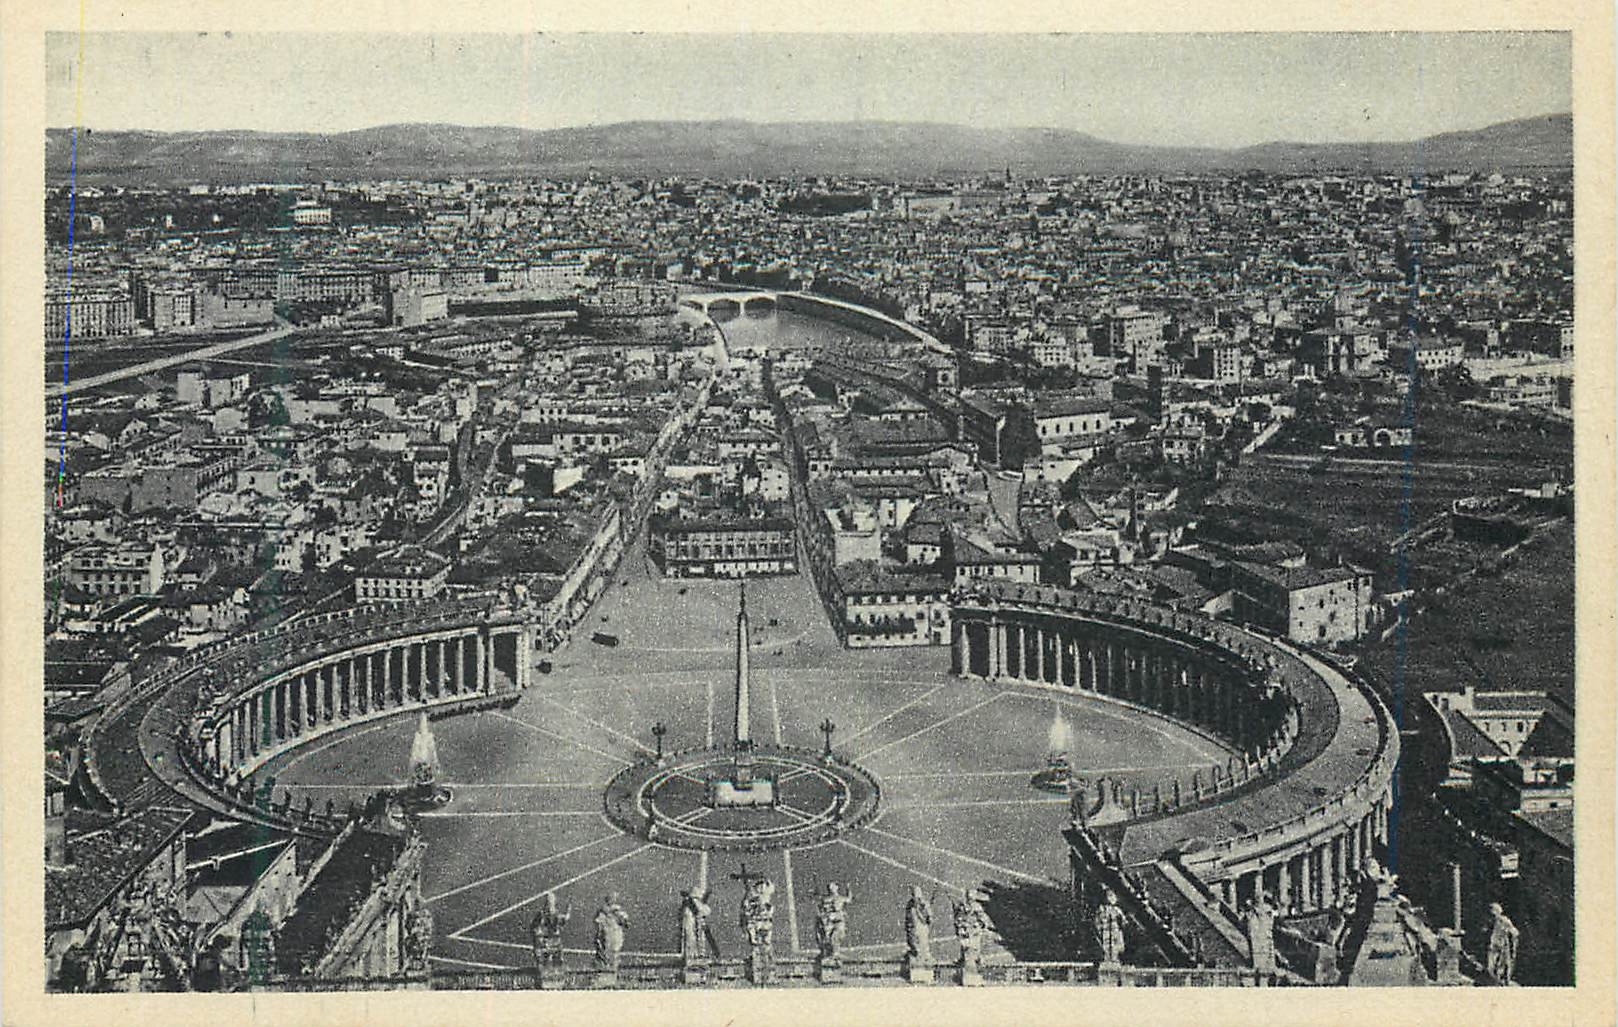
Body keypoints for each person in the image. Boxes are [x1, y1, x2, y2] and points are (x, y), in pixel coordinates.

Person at [953, 890, 990, 973]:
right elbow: (959, 918)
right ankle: (964, 961)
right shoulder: (963, 906)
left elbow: (983, 920)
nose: (969, 898)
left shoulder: (977, 907)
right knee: (965, 947)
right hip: (967, 931)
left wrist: (980, 925)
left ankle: (978, 962)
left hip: (974, 931)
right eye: (968, 897)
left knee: (975, 948)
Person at [814, 883, 852, 961]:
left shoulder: (841, 898)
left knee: (836, 936)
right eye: (829, 887)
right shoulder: (825, 899)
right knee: (826, 938)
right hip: (828, 921)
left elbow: (849, 899)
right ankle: (827, 953)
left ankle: (835, 953)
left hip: (838, 920)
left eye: (833, 886)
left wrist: (848, 889)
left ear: (837, 887)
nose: (830, 888)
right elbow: (820, 905)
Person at [530, 893, 570, 967]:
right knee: (553, 961)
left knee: (547, 961)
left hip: (548, 941)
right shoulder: (552, 914)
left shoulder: (543, 914)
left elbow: (533, 927)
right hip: (551, 941)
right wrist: (568, 911)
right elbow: (563, 920)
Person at [592, 893, 629, 971]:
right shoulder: (619, 912)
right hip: (614, 936)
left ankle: (605, 969)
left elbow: (597, 923)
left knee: (605, 954)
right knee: (612, 954)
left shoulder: (602, 912)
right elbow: (626, 924)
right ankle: (610, 969)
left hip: (608, 936)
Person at [1485, 902, 1519, 985]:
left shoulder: (1504, 921)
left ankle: (1504, 982)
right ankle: (1496, 981)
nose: (1492, 916)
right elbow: (1486, 931)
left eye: (1493, 914)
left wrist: (1510, 936)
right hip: (1493, 946)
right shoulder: (1490, 921)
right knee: (1491, 967)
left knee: (1503, 965)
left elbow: (1514, 932)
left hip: (1503, 946)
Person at [679, 886, 713, 965]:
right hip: (692, 927)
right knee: (692, 940)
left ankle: (691, 956)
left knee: (689, 941)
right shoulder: (693, 903)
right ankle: (693, 957)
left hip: (690, 927)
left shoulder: (687, 905)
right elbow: (705, 911)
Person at [1094, 888, 1128, 965]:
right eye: (1109, 896)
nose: (1111, 898)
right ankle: (1107, 959)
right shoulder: (1102, 909)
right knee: (1106, 945)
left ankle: (1115, 959)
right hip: (1105, 930)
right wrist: (1099, 929)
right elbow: (1097, 921)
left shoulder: (1117, 910)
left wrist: (1120, 927)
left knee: (1115, 945)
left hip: (1115, 930)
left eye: (1113, 896)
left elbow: (1124, 922)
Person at [904, 885, 933, 966]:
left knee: (923, 945)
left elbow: (929, 917)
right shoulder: (910, 905)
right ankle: (916, 956)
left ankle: (924, 959)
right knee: (914, 944)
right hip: (913, 928)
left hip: (921, 927)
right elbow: (908, 917)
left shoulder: (924, 904)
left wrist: (928, 917)